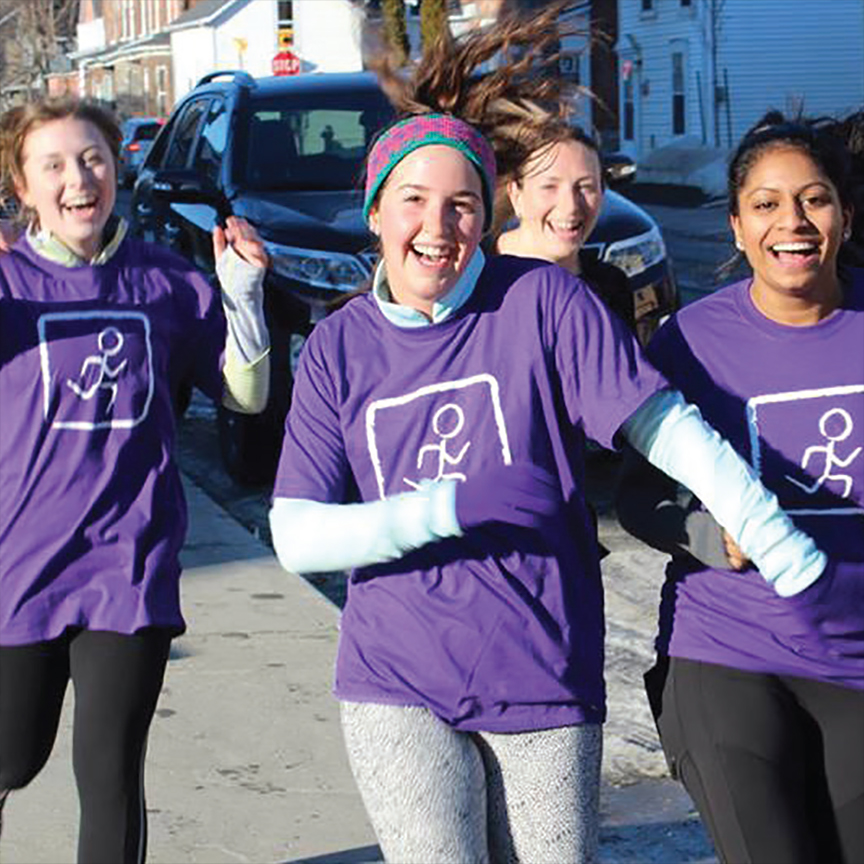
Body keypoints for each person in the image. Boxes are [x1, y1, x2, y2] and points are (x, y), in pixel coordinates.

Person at [268, 13, 832, 864]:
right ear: (377, 212)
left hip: (542, 667)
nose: (439, 225)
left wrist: (762, 521)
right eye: (414, 201)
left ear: (483, 213)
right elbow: (297, 532)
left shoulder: (542, 302)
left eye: (462, 204)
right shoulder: (342, 346)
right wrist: (445, 506)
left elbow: (661, 424)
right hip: (397, 673)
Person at [0, 97, 270, 862]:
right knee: (11, 758)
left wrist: (243, 296)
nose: (78, 178)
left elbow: (244, 394)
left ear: (117, 167)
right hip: (18, 569)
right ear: (23, 187)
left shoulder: (166, 282)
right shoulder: (10, 286)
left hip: (129, 565)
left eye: (91, 158)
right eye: (52, 165)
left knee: (110, 771)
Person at [616, 112, 864, 864]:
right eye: (765, 204)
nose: (791, 222)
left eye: (813, 200)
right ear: (734, 227)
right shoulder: (692, 343)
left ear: (845, 216)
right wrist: (702, 533)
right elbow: (635, 495)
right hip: (728, 650)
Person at [491, 114, 636, 333]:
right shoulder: (474, 275)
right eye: (550, 187)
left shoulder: (610, 287)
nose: (570, 206)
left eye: (585, 187)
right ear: (516, 195)